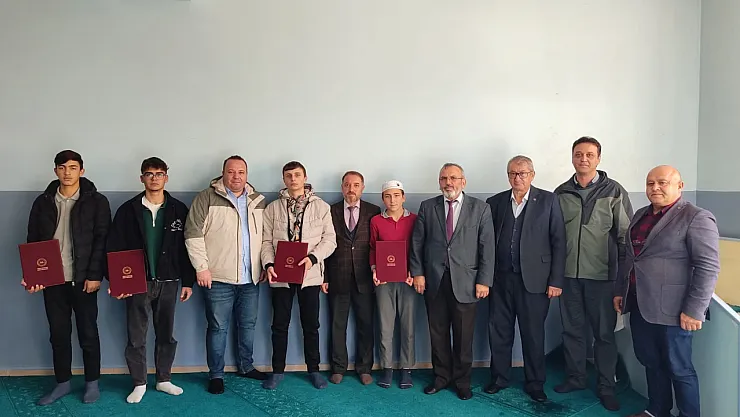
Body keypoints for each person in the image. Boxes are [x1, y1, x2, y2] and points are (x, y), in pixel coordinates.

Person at [615, 165, 720, 417]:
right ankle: (657, 410)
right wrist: (621, 291)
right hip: (640, 305)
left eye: (662, 182)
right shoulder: (640, 215)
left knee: (679, 369)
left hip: (675, 311)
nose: (655, 188)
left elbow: (707, 266)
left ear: (679, 186)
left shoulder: (696, 217)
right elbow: (631, 258)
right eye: (650, 183)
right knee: (651, 362)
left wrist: (694, 310)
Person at [23, 150, 111, 405]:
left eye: (73, 167)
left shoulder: (97, 201)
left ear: (81, 171)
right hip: (52, 280)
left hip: (84, 280)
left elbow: (102, 240)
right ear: (55, 171)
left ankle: (92, 383)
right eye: (62, 168)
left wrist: (95, 275)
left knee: (88, 334)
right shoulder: (43, 202)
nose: (67, 172)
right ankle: (62, 383)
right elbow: (33, 240)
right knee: (58, 334)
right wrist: (32, 275)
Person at [553, 136, 633, 411]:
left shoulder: (614, 191)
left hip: (603, 278)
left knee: (604, 335)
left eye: (589, 154)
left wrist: (621, 280)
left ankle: (606, 386)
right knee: (571, 331)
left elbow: (625, 238)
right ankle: (575, 378)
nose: (583, 159)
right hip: (568, 277)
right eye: (578, 154)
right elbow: (554, 235)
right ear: (572, 157)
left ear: (598, 158)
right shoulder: (561, 192)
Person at [106, 157, 195, 403]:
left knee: (166, 333)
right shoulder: (128, 210)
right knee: (136, 336)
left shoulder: (178, 209)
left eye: (159, 174)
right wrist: (117, 281)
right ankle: (139, 382)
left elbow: (187, 247)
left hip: (170, 281)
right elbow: (114, 247)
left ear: (166, 177)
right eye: (149, 174)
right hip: (137, 282)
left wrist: (188, 281)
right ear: (141, 178)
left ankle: (164, 379)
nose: (154, 178)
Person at [409, 162, 495, 401]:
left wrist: (484, 281)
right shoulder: (428, 207)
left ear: (463, 182)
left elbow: (487, 248)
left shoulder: (480, 208)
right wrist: (418, 273)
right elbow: (417, 243)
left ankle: (462, 381)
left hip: (467, 282)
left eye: (453, 178)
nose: (448, 183)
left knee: (464, 337)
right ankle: (441, 378)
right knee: (437, 334)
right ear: (439, 182)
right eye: (444, 178)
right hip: (434, 281)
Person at [484, 155, 566, 403]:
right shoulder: (495, 202)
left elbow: (559, 242)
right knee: (499, 332)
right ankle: (499, 378)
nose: (517, 178)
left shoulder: (549, 200)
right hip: (501, 280)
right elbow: (486, 243)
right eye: (512, 173)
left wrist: (556, 281)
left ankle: (535, 383)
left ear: (532, 175)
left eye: (522, 173)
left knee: (533, 334)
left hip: (536, 281)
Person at [184, 155, 267, 395]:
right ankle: (216, 375)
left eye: (241, 172)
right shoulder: (206, 198)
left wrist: (263, 265)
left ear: (247, 175)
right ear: (223, 173)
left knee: (248, 325)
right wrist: (201, 267)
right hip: (217, 277)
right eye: (231, 172)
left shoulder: (258, 200)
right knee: (218, 328)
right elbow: (192, 233)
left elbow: (266, 237)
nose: (236, 176)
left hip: (251, 278)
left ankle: (246, 366)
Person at [261, 161, 337, 390]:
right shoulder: (273, 208)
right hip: (280, 274)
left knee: (311, 325)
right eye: (288, 175)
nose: (293, 179)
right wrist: (269, 264)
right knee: (279, 325)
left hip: (309, 275)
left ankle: (314, 370)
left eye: (297, 175)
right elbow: (266, 241)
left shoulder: (321, 207)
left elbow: (330, 240)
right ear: (284, 179)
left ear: (305, 178)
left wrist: (313, 258)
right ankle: (277, 371)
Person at [325, 171, 381, 385]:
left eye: (356, 185)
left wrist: (379, 271)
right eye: (347, 185)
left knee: (365, 325)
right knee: (337, 325)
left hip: (365, 278)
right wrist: (325, 276)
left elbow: (376, 245)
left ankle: (364, 368)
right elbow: (324, 245)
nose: (351, 189)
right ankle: (338, 367)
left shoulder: (373, 211)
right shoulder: (330, 211)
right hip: (337, 277)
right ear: (342, 187)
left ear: (362, 188)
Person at [369, 180, 418, 389]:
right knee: (385, 326)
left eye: (397, 195)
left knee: (408, 326)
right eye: (388, 196)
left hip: (408, 280)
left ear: (403, 197)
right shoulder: (376, 221)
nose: (392, 200)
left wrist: (415, 272)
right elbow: (373, 248)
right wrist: (374, 269)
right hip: (384, 280)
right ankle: (387, 368)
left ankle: (406, 369)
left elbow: (419, 248)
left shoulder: (415, 219)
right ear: (383, 199)